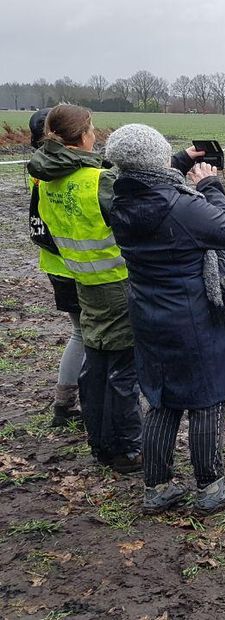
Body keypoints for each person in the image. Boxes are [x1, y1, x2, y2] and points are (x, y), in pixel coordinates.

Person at [105, 123, 225, 515]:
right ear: (155, 158)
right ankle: (211, 486)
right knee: (208, 397)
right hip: (194, 314)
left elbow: (144, 177)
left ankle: (157, 488)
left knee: (164, 399)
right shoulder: (181, 206)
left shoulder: (117, 200)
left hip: (149, 313)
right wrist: (210, 186)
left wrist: (181, 162)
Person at [28, 105, 142, 473]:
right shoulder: (96, 181)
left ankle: (99, 442)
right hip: (114, 282)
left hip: (81, 277)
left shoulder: (44, 176)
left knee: (96, 362)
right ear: (83, 135)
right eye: (92, 129)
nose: (96, 135)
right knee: (124, 367)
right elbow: (137, 220)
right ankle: (126, 450)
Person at [25, 108, 83, 427]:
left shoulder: (41, 170)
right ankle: (71, 403)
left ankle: (65, 403)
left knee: (81, 333)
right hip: (80, 267)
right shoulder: (72, 173)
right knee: (87, 336)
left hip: (56, 263)